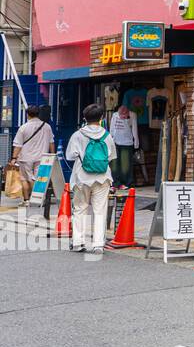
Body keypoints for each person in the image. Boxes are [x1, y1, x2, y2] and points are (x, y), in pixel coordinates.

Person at [65, 104, 116, 254]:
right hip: (102, 177)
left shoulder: (78, 135)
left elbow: (70, 155)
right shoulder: (107, 135)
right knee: (100, 210)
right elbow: (111, 156)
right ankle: (98, 244)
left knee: (80, 209)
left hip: (81, 177)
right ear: (102, 118)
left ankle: (78, 242)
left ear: (84, 118)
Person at [11, 106, 54, 202]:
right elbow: (51, 142)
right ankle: (37, 199)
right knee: (38, 179)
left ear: (27, 114)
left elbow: (18, 145)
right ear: (38, 114)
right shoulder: (47, 127)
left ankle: (27, 200)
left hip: (25, 158)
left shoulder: (23, 128)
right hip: (41, 158)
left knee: (25, 179)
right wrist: (52, 155)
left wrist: (13, 158)